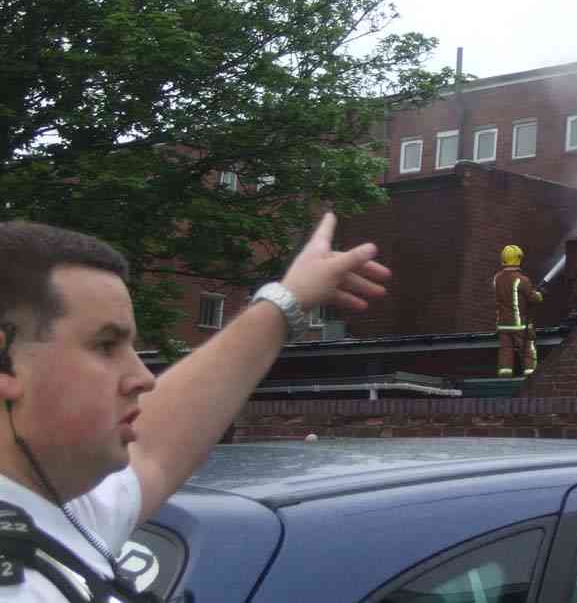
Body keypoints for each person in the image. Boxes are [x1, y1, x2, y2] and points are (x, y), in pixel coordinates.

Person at [0, 213, 390, 602]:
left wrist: (288, 299)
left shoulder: (52, 504)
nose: (143, 377)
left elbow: (154, 447)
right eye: (106, 345)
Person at [492, 245, 542, 378]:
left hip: (502, 324)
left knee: (505, 350)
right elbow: (532, 298)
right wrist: (540, 294)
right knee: (527, 348)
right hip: (518, 324)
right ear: (518, 258)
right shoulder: (522, 279)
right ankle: (530, 375)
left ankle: (505, 375)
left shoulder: (497, 278)